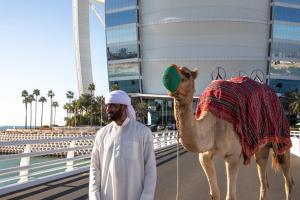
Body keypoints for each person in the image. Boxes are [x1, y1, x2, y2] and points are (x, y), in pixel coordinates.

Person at [89, 90, 157, 200]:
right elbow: (95, 167)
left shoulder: (142, 132)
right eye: (107, 105)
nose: (108, 109)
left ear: (124, 107)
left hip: (135, 195)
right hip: (107, 196)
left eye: (112, 105)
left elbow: (150, 168)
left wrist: (147, 196)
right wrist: (94, 195)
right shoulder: (101, 134)